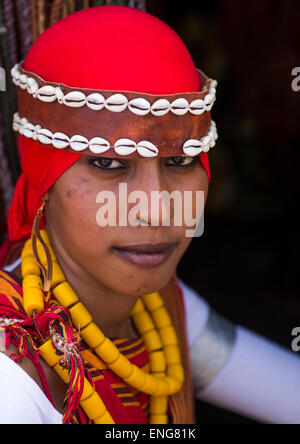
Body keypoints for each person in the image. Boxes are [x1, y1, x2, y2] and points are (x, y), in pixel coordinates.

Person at [0, 5, 300, 425]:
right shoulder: (13, 387)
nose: (155, 209)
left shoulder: (161, 310)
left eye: (180, 160)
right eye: (108, 163)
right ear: (43, 175)